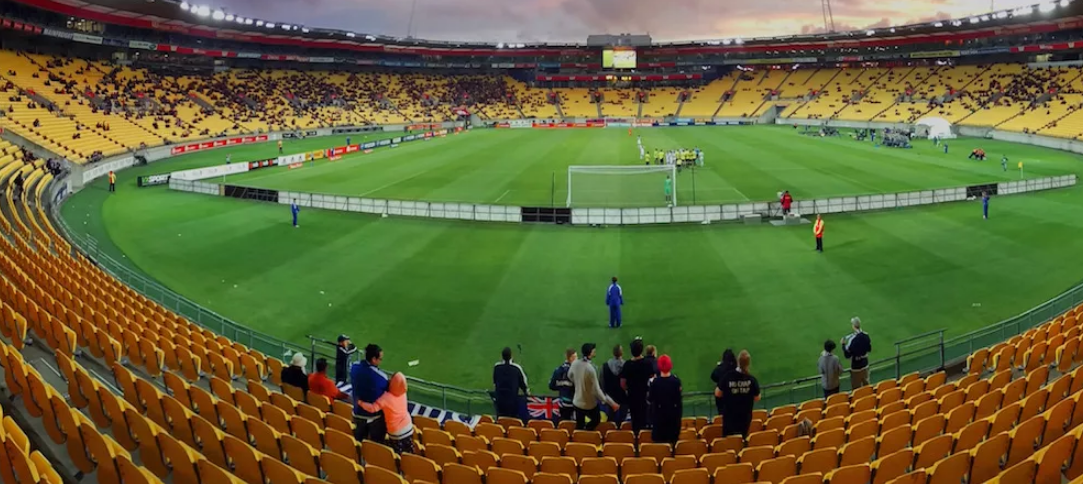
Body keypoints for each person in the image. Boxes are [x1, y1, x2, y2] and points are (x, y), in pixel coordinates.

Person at [359, 372, 414, 454]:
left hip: (396, 432)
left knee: (398, 455)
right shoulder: (403, 393)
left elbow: (372, 408)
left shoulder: (386, 398)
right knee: (408, 453)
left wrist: (360, 403)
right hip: (408, 427)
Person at [569, 343, 618, 430]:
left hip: (577, 402)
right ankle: (587, 432)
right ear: (590, 353)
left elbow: (570, 376)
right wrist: (610, 402)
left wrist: (577, 383)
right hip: (589, 404)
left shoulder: (575, 363)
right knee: (596, 420)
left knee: (579, 426)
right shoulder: (591, 369)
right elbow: (597, 390)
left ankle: (579, 439)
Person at [715, 350, 760, 437]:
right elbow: (757, 397)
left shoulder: (728, 376)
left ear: (738, 362)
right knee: (742, 439)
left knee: (728, 440)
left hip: (730, 416)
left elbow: (718, 393)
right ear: (748, 364)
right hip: (745, 417)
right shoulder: (751, 380)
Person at [351, 344, 389, 442]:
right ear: (373, 359)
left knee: (358, 442)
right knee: (376, 444)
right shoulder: (380, 377)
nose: (381, 361)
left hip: (357, 412)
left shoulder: (354, 367)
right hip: (374, 417)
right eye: (380, 359)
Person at [620, 338, 654, 433]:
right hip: (644, 395)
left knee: (635, 419)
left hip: (632, 396)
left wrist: (628, 389)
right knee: (644, 417)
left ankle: (636, 437)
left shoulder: (627, 365)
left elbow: (622, 383)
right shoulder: (647, 363)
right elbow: (652, 378)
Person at [649, 355, 682, 445]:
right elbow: (678, 402)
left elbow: (650, 398)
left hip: (659, 420)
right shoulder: (676, 381)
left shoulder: (655, 382)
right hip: (673, 419)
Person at [492, 347, 529, 419]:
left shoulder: (497, 367)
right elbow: (524, 385)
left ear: (502, 356)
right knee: (512, 420)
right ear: (511, 356)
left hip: (500, 401)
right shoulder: (517, 368)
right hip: (512, 402)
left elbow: (495, 382)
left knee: (501, 419)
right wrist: (527, 393)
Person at [841, 317, 872, 389]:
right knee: (867, 386)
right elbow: (869, 349)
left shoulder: (852, 339)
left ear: (853, 326)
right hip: (865, 364)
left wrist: (843, 345)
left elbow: (847, 355)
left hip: (856, 366)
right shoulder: (866, 335)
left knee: (856, 388)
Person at [601, 345, 627, 425]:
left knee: (610, 423)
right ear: (622, 353)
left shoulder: (605, 366)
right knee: (623, 424)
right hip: (623, 399)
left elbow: (601, 384)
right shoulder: (626, 366)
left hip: (610, 400)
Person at [548, 348, 576, 423]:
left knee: (563, 422)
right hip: (574, 403)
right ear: (571, 358)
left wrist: (561, 388)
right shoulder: (575, 371)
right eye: (575, 357)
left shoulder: (558, 370)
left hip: (562, 403)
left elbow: (551, 386)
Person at [710, 350, 737, 417]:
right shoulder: (736, 368)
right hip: (735, 398)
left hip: (723, 399)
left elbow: (713, 376)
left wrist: (719, 366)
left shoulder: (721, 368)